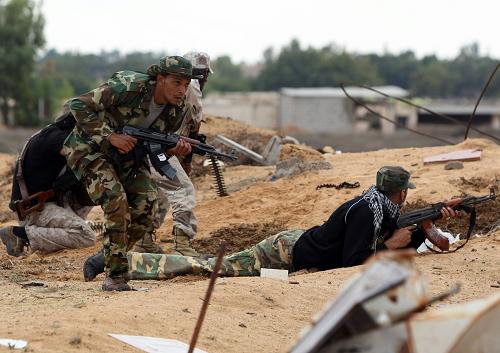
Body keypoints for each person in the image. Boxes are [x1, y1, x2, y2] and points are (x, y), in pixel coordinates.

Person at [126, 166, 460, 280]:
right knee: (212, 268)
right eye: (406, 193)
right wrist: (390, 245)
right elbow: (354, 262)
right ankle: (129, 263)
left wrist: (429, 226)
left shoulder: (379, 205)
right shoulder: (365, 211)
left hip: (296, 251)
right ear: (400, 193)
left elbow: (402, 238)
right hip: (284, 252)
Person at [64, 55, 202, 291]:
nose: (182, 90)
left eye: (186, 84)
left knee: (148, 204)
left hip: (127, 157)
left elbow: (155, 147)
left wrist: (172, 149)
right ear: (160, 79)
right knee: (116, 200)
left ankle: (107, 256)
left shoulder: (175, 110)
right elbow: (78, 104)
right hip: (91, 151)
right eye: (177, 83)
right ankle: (115, 277)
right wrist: (110, 136)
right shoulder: (129, 86)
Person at [132, 51, 213, 257]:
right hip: (160, 147)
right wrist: (185, 159)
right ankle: (182, 244)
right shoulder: (190, 89)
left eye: (202, 75)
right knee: (183, 189)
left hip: (161, 147)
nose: (200, 79)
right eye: (198, 74)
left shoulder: (178, 87)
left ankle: (144, 239)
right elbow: (193, 127)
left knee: (160, 195)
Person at [0, 112, 96, 256]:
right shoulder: (55, 138)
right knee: (86, 236)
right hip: (33, 209)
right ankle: (19, 234)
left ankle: (64, 229)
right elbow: (83, 154)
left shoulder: (54, 132)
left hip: (46, 203)